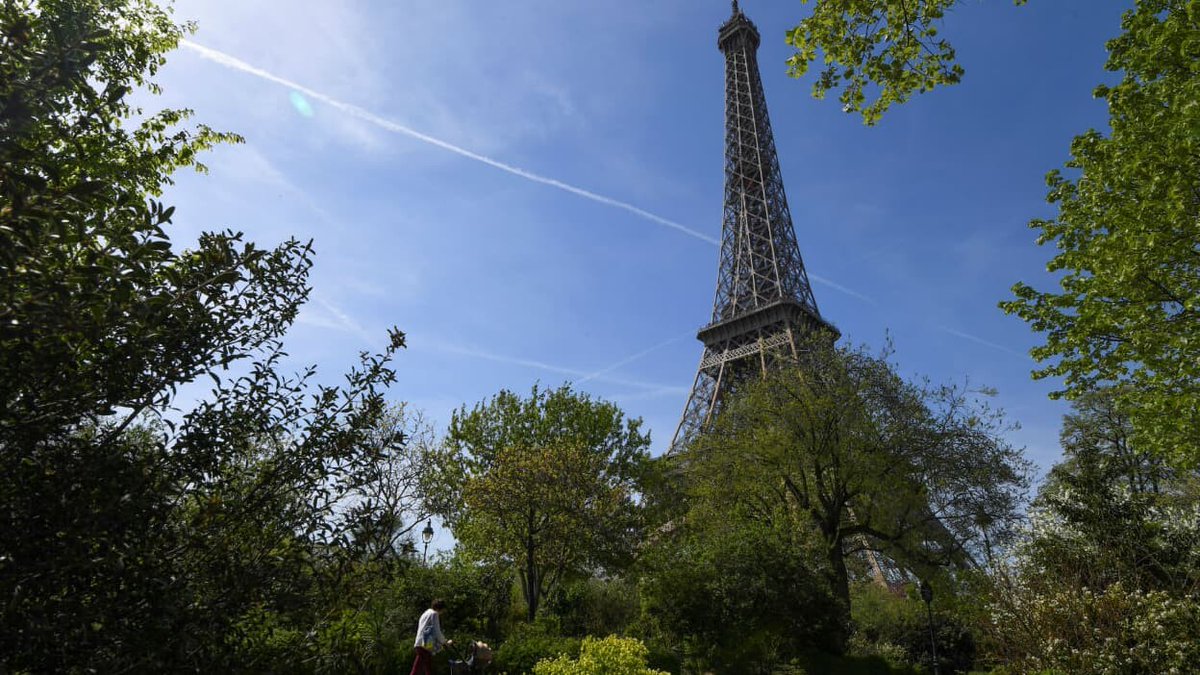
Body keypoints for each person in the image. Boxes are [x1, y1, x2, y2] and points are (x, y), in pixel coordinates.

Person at [410, 599, 451, 675]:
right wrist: (445, 642)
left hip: (419, 643)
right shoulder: (434, 614)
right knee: (421, 668)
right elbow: (437, 631)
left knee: (424, 667)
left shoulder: (425, 613)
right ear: (440, 608)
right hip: (425, 645)